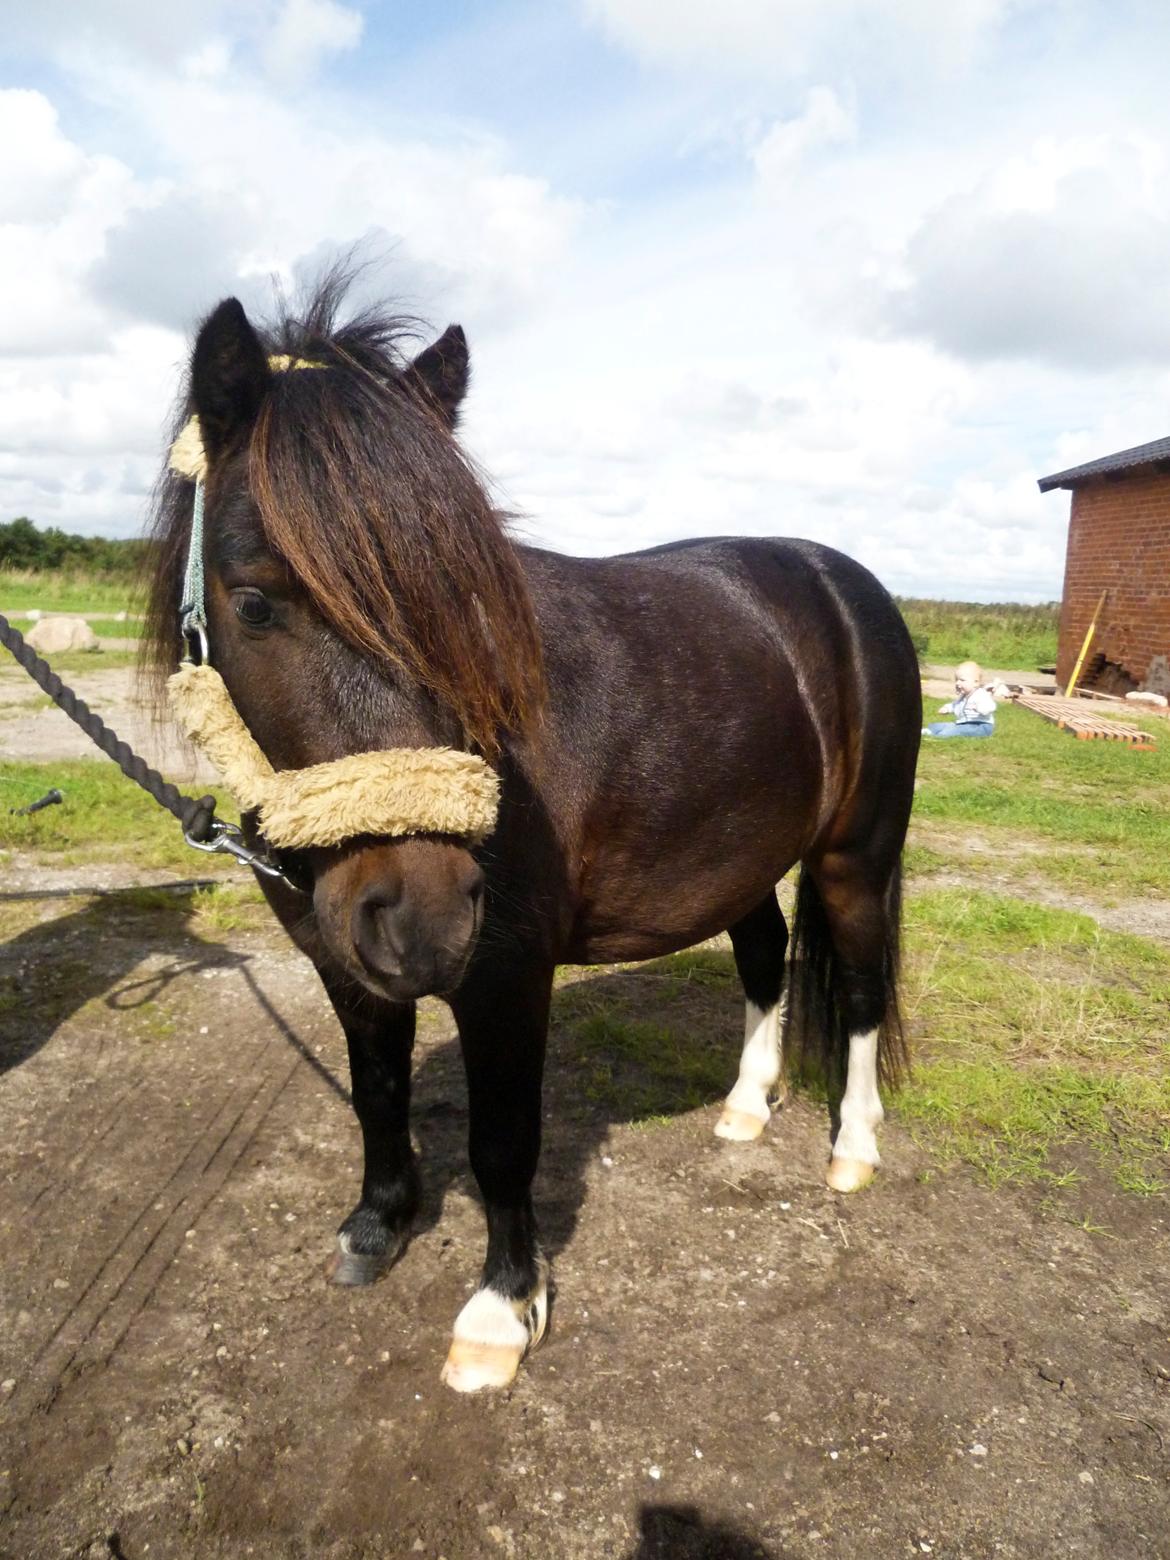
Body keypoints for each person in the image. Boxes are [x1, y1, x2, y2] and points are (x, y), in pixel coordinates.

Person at [923, 661, 1003, 738]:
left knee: (954, 730)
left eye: (962, 680)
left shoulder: (981, 695)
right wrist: (947, 708)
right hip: (964, 724)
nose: (957, 683)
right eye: (956, 680)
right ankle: (930, 730)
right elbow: (955, 704)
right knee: (939, 726)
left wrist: (980, 709)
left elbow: (991, 706)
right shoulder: (963, 696)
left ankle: (939, 736)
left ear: (975, 682)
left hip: (980, 726)